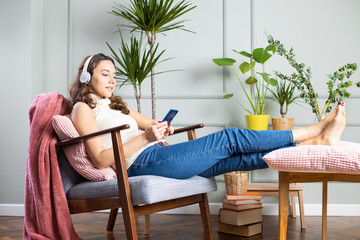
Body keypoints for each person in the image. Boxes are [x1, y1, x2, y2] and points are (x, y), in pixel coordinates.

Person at [69, 53, 347, 179]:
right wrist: (144, 138)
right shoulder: (83, 109)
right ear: (86, 75)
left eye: (114, 76)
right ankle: (313, 130)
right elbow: (100, 158)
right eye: (105, 74)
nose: (111, 80)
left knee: (234, 159)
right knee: (230, 137)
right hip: (139, 165)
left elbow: (151, 125)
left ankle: (317, 144)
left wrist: (159, 129)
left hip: (157, 155)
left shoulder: (117, 106)